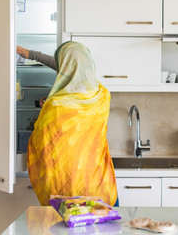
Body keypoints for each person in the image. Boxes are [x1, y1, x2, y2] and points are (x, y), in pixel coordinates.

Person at [17, 42, 118, 206]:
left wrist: (46, 106)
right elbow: (74, 66)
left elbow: (41, 142)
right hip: (100, 185)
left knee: (64, 230)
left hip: (66, 189)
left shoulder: (56, 106)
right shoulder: (103, 95)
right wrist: (33, 55)